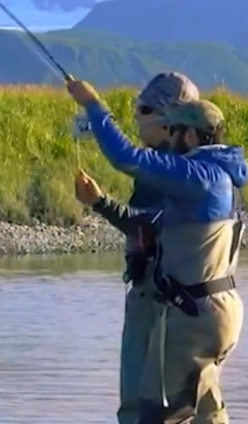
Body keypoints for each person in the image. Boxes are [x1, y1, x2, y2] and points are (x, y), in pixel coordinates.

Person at [67, 79, 248, 424]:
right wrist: (102, 203)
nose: (169, 136)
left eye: (174, 130)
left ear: (191, 137)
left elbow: (125, 157)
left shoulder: (198, 175)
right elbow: (153, 229)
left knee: (157, 412)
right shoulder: (219, 174)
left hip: (190, 313)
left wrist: (93, 103)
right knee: (204, 411)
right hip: (215, 310)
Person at [74, 72, 200, 424]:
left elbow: (143, 222)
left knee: (139, 406)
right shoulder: (194, 168)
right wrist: (99, 201)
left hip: (159, 298)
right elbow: (147, 224)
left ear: (168, 118)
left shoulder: (173, 169)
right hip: (172, 296)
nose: (136, 116)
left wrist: (93, 105)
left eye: (143, 108)